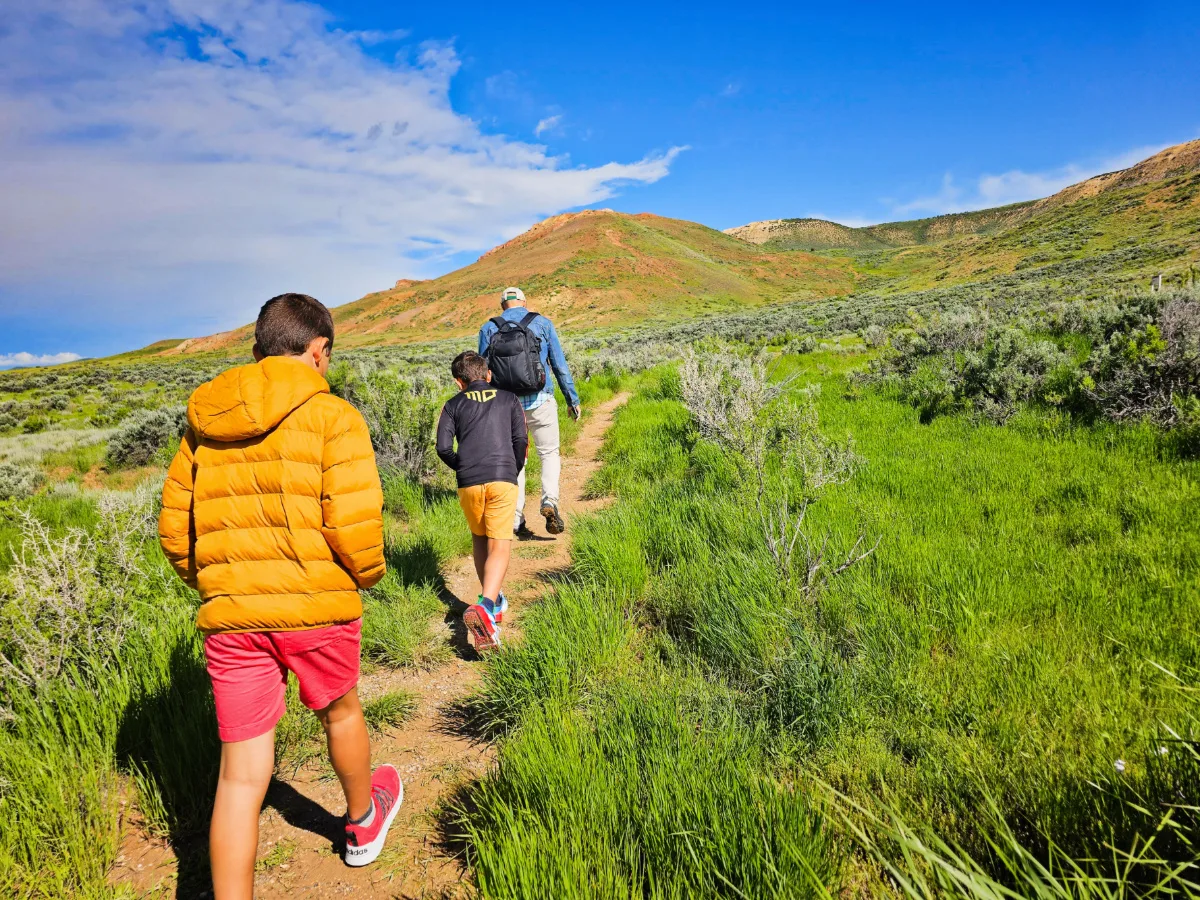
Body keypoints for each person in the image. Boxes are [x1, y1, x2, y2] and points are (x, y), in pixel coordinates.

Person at [159, 293, 400, 898]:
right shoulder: (335, 416)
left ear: (262, 345)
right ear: (317, 350)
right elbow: (353, 525)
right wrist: (366, 576)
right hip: (316, 603)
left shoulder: (204, 421)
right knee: (340, 711)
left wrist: (214, 580)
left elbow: (175, 528)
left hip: (231, 613)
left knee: (240, 777)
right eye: (328, 356)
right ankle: (362, 821)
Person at [435, 350, 528, 651]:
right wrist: (511, 469)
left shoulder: (452, 405)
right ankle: (487, 605)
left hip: (468, 483)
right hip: (502, 476)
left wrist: (462, 466)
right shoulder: (509, 398)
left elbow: (443, 447)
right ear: (488, 375)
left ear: (458, 382)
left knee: (479, 538)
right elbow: (520, 440)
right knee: (499, 543)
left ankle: (495, 601)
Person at [477, 286, 580, 538]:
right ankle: (550, 502)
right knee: (549, 453)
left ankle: (514, 520)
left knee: (516, 461)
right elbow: (559, 365)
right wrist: (572, 399)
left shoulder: (488, 328)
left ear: (503, 305)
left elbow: (480, 372)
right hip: (541, 399)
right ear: (524, 301)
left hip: (505, 406)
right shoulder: (542, 323)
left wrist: (481, 408)